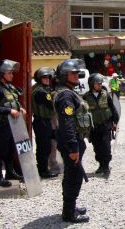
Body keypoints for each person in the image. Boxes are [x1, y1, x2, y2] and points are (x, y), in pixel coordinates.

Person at [54, 59, 91, 223]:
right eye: (73, 73)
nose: (77, 75)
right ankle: (68, 214)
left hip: (73, 141)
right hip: (71, 142)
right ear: (64, 76)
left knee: (71, 175)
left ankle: (70, 207)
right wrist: (73, 148)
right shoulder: (66, 95)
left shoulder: (68, 92)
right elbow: (67, 123)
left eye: (77, 73)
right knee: (73, 177)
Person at [0, 59, 25, 187]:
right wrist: (10, 110)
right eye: (9, 73)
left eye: (12, 73)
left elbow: (13, 101)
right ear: (1, 74)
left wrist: (20, 109)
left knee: (9, 150)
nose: (12, 75)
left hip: (11, 126)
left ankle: (10, 173)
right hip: (0, 126)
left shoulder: (10, 87)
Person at [83, 73, 119, 178]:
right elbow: (83, 112)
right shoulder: (86, 96)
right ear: (91, 84)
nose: (99, 85)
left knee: (106, 147)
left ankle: (106, 166)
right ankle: (101, 165)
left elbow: (113, 109)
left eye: (100, 83)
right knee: (97, 148)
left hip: (106, 125)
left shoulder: (106, 94)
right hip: (93, 127)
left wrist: (115, 122)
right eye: (97, 83)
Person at [32, 67, 58, 178]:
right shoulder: (40, 91)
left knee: (45, 146)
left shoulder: (42, 89)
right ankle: (43, 170)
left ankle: (43, 169)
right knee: (44, 148)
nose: (47, 79)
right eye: (44, 77)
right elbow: (51, 104)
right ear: (39, 78)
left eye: (48, 77)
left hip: (43, 121)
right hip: (42, 122)